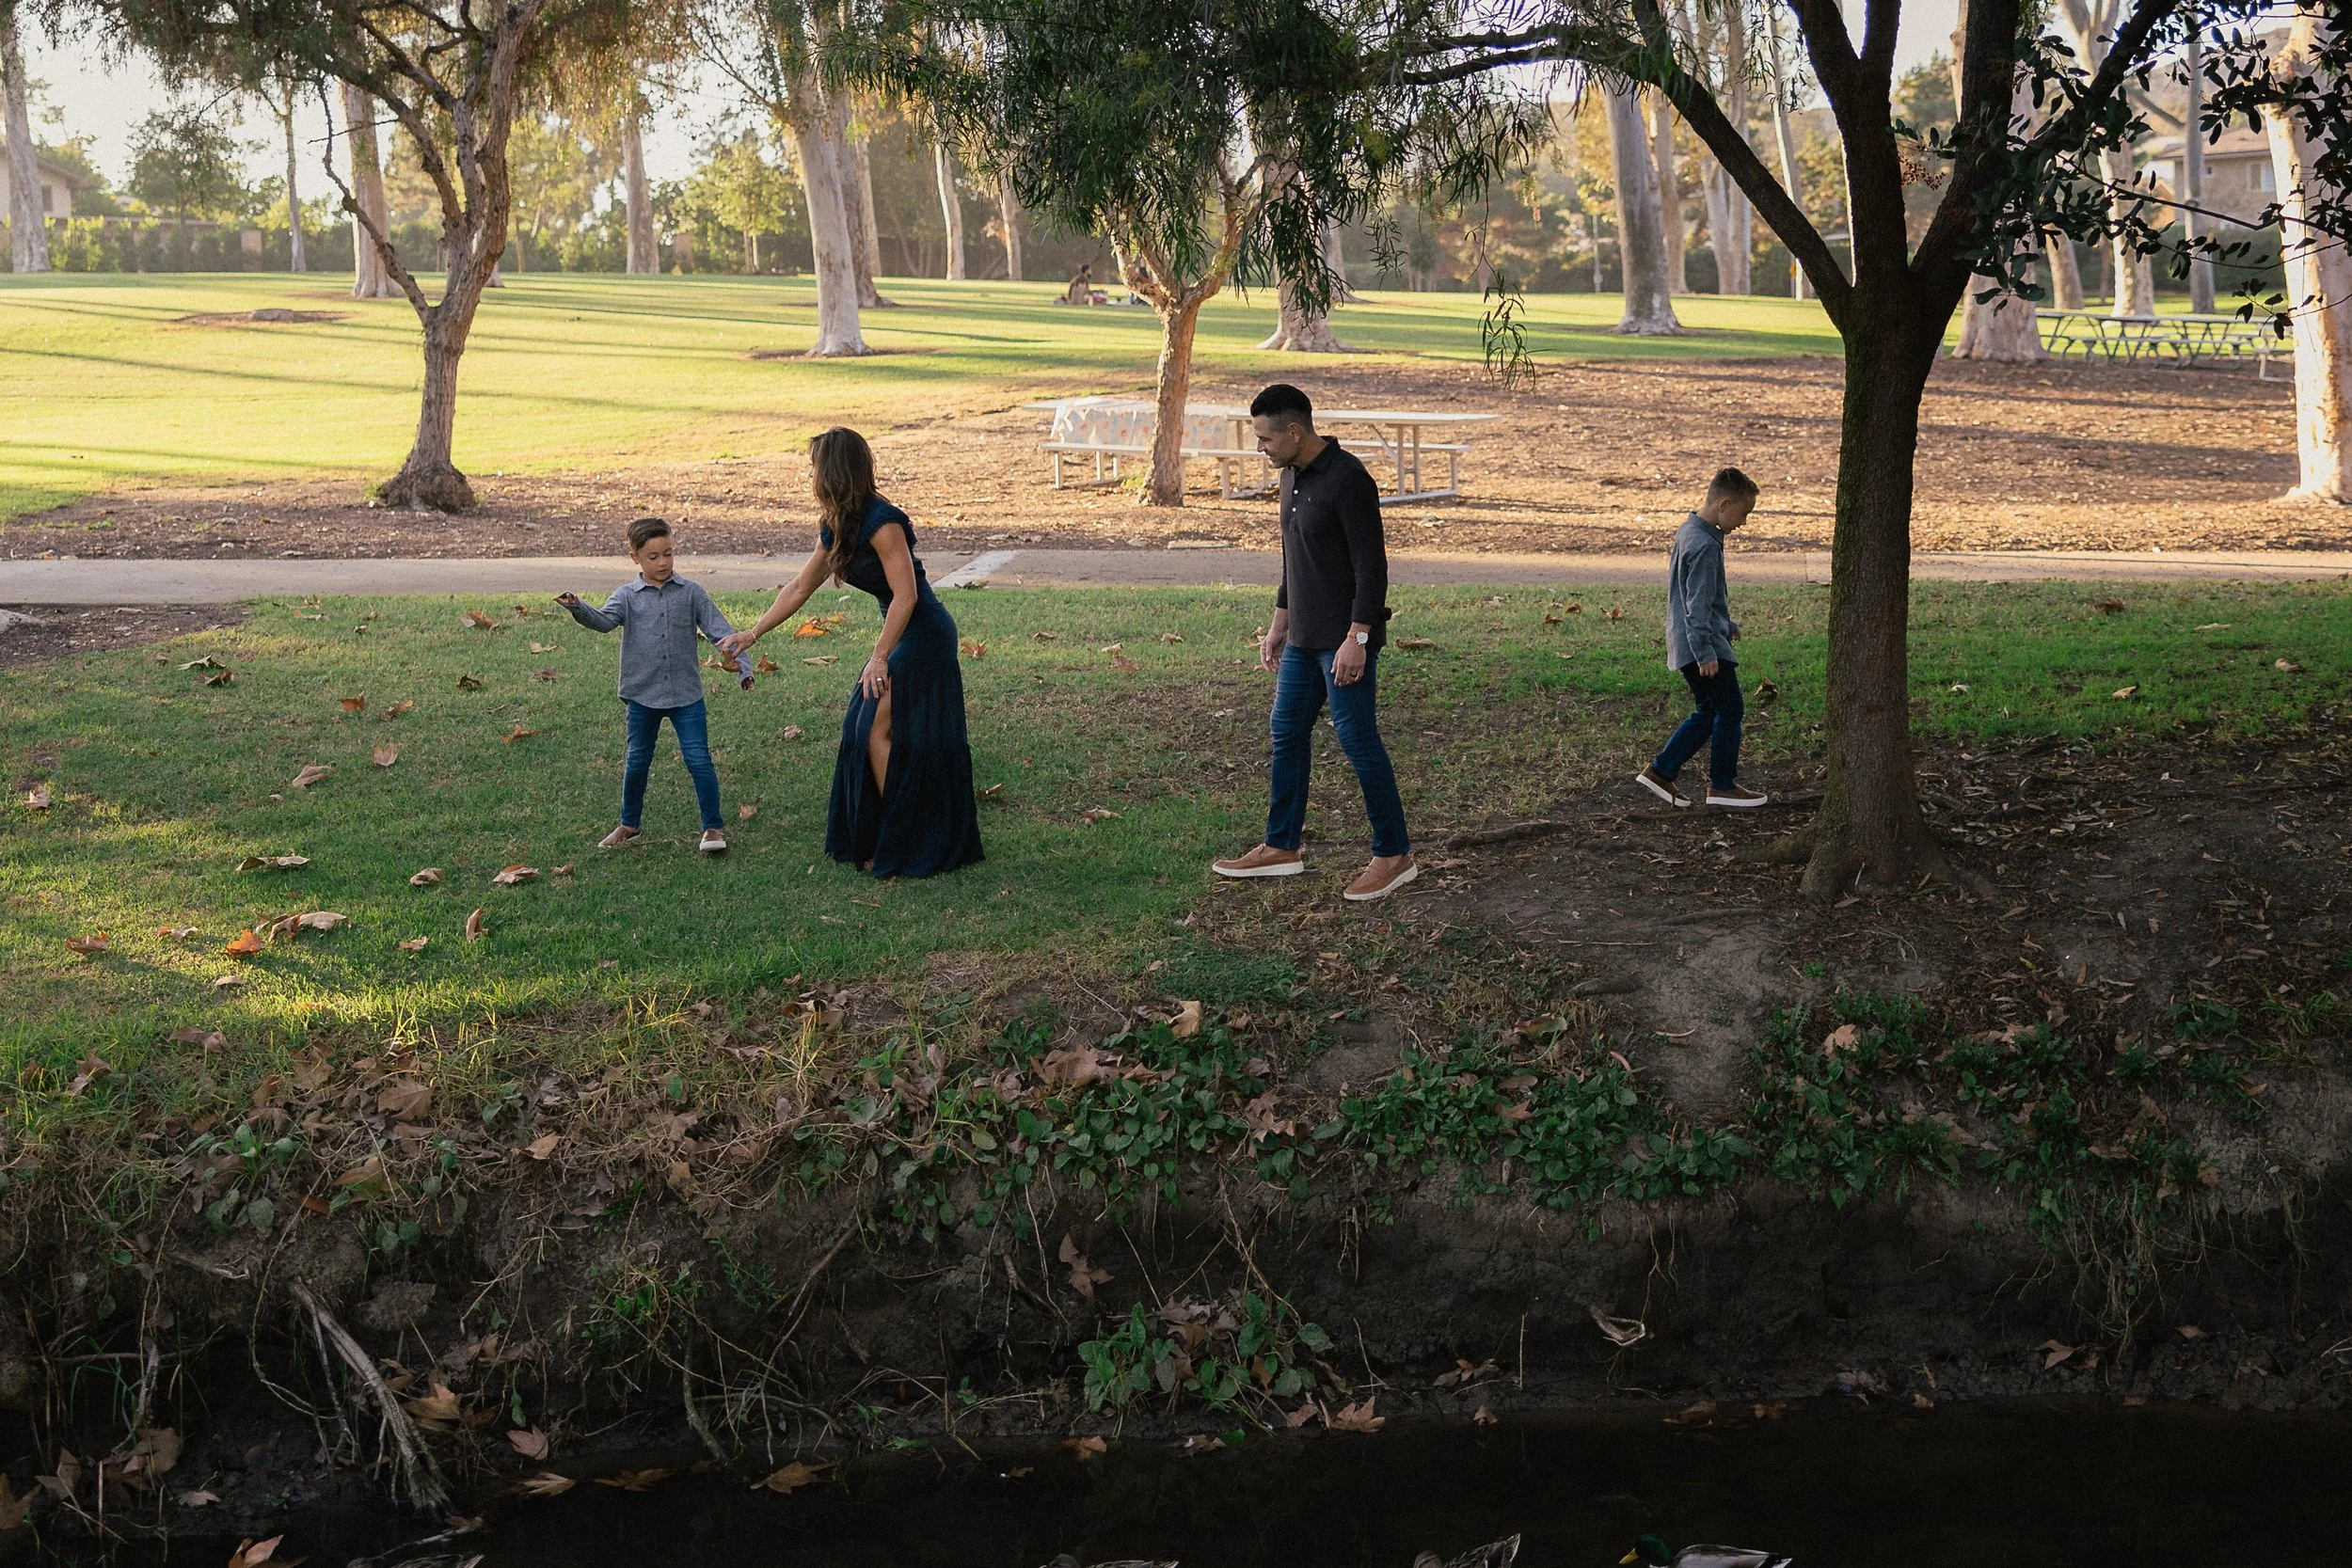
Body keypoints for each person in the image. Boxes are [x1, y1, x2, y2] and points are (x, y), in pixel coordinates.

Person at [720, 429, 983, 879]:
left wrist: (879, 656)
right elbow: (801, 586)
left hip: (924, 636)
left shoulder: (884, 523)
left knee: (876, 726)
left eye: (814, 465)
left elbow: (907, 597)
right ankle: (886, 835)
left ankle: (902, 844)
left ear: (833, 471)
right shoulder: (837, 524)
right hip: (899, 637)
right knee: (862, 727)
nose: (810, 473)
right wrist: (753, 633)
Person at [1212, 384, 1417, 902]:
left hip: (1344, 640)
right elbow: (1294, 557)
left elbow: (1372, 568)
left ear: (1295, 432)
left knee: (1356, 739)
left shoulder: (1349, 480)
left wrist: (1360, 638)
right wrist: (1280, 624)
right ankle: (1282, 846)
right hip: (1303, 639)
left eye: (1265, 438)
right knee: (1285, 733)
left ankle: (1394, 854)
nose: (1260, 447)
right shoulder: (1292, 477)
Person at [558, 516, 751, 854]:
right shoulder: (627, 597)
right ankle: (628, 824)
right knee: (637, 760)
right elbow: (603, 622)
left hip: (686, 696)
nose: (663, 563)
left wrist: (742, 668)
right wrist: (578, 607)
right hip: (642, 696)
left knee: (699, 759)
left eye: (668, 554)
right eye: (653, 557)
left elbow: (721, 632)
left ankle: (713, 828)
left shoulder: (691, 593)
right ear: (635, 557)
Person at [1633, 467, 1770, 810]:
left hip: (1694, 640)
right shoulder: (1705, 545)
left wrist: (1725, 624)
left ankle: (1661, 771)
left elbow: (1696, 597)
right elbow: (1695, 606)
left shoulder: (1691, 531)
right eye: (1743, 513)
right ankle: (1721, 785)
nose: (1744, 522)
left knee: (1710, 710)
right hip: (1700, 646)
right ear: (1724, 504)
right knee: (1729, 708)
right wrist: (1706, 651)